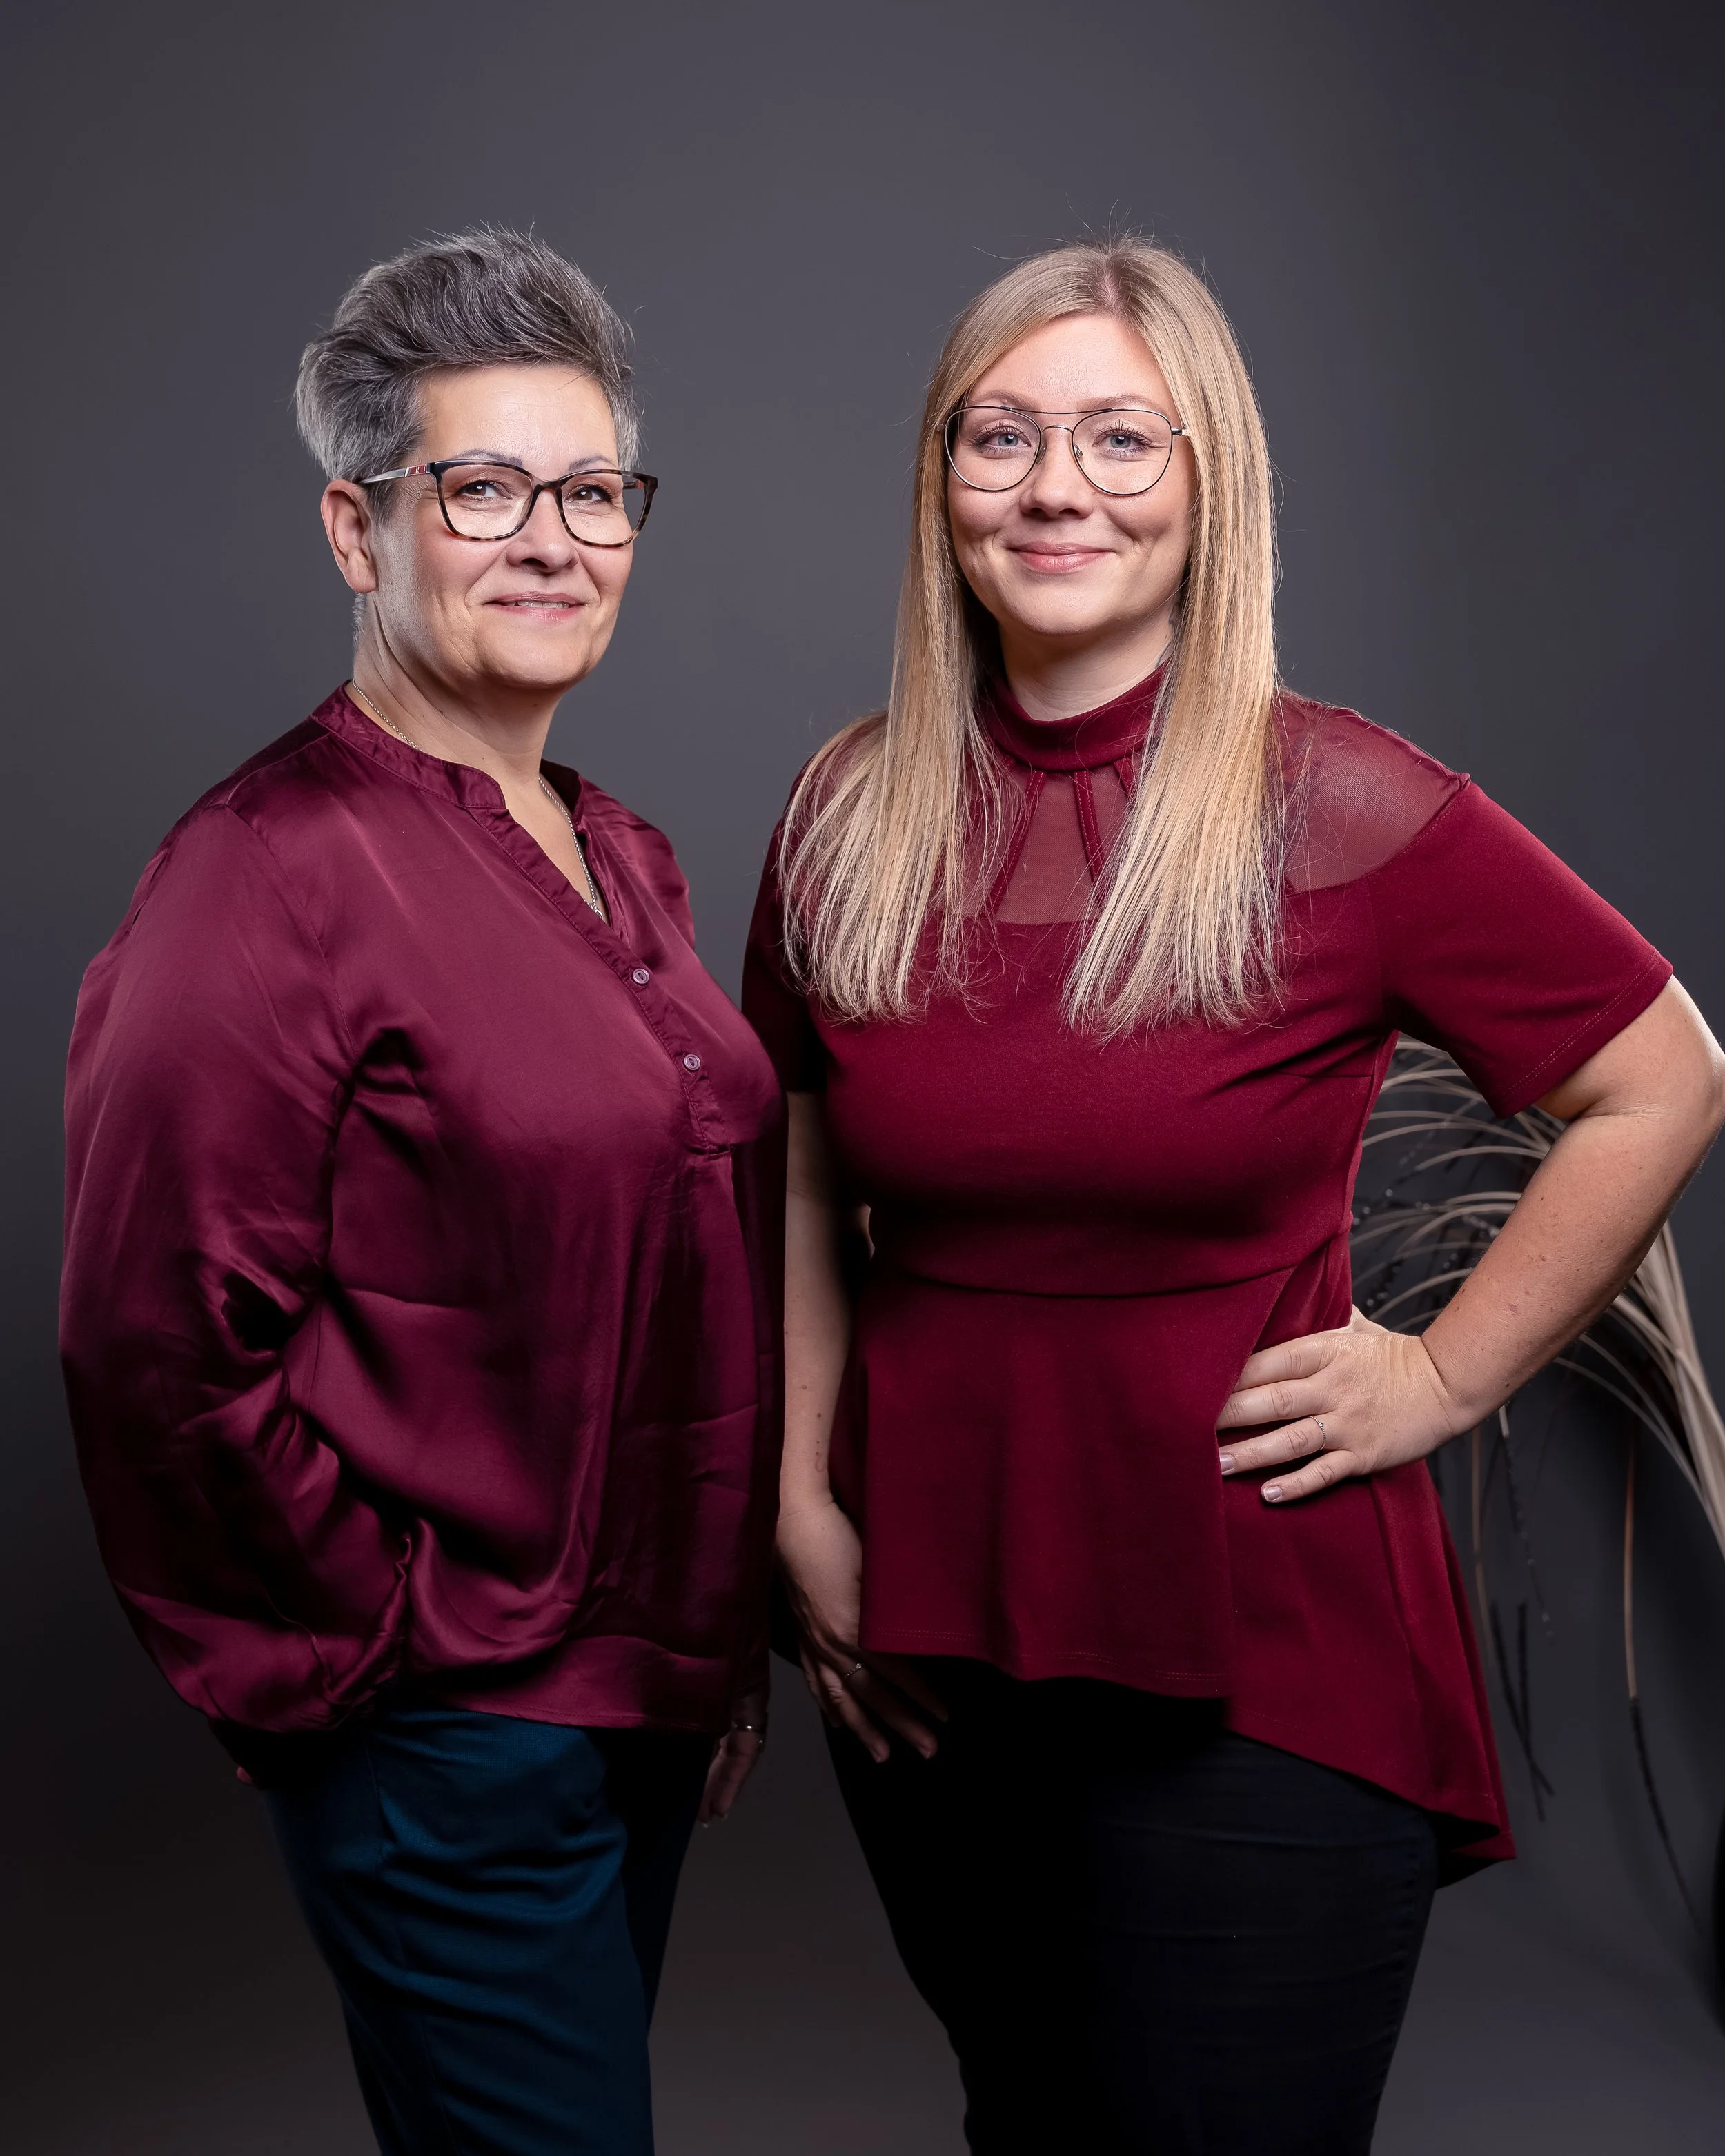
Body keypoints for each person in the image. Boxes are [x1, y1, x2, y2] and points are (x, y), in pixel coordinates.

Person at [742, 237, 1725, 2155]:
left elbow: (1660, 1072)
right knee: (1028, 2122)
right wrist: (797, 1497)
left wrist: (1439, 1376)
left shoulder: (1340, 811)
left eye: (1123, 436)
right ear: (937, 477)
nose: (1055, 487)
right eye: (1001, 433)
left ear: (1211, 487)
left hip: (1255, 1639)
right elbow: (793, 1133)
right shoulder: (841, 812)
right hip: (932, 1628)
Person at [61, 228, 782, 2156]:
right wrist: (377, 1655)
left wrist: (697, 1646)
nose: (553, 538)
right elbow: (152, 1348)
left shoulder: (619, 850)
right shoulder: (264, 872)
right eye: (482, 487)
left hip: (632, 1708)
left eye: (595, 490)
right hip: (447, 1727)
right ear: (355, 528)